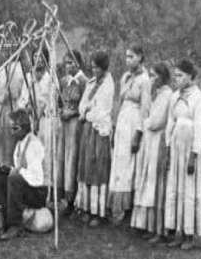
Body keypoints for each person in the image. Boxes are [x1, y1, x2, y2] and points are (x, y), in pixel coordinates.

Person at [164, 59, 201, 249]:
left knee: (190, 189)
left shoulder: (199, 98)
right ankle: (177, 231)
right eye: (175, 75)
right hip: (176, 147)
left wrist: (194, 154)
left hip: (190, 148)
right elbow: (170, 123)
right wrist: (168, 149)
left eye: (180, 75)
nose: (176, 79)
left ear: (190, 77)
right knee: (176, 188)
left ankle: (189, 234)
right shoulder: (174, 96)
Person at [108, 45, 151, 224]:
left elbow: (145, 108)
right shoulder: (125, 77)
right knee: (119, 162)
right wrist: (115, 123)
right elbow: (120, 101)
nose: (128, 60)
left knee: (130, 164)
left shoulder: (145, 80)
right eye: (126, 57)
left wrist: (138, 134)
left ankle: (128, 208)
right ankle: (117, 205)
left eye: (132, 57)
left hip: (134, 123)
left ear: (140, 57)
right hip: (123, 122)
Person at [131, 62, 173, 243]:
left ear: (163, 77)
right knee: (147, 182)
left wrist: (145, 122)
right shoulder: (156, 95)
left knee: (156, 185)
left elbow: (157, 121)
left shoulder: (167, 95)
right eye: (151, 75)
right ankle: (148, 226)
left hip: (158, 142)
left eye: (155, 76)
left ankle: (160, 230)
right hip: (150, 141)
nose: (152, 79)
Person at [0, 109, 48, 240]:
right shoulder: (20, 144)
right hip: (26, 186)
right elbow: (20, 170)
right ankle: (4, 219)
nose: (12, 132)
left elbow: (37, 178)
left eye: (14, 128)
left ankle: (15, 226)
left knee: (14, 178)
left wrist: (16, 172)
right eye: (11, 128)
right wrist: (10, 169)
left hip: (38, 193)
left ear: (24, 127)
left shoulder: (34, 144)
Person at [75, 51, 114, 227]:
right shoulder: (91, 83)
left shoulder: (108, 85)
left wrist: (87, 114)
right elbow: (82, 104)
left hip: (100, 131)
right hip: (88, 130)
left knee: (98, 167)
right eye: (92, 67)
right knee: (86, 166)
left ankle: (99, 211)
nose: (94, 70)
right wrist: (86, 110)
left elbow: (102, 112)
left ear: (104, 68)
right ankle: (85, 207)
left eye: (96, 67)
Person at [56, 50, 87, 214]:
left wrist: (73, 113)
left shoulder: (84, 82)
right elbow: (58, 102)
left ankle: (74, 199)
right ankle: (64, 198)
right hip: (64, 124)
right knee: (63, 157)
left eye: (70, 63)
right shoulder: (63, 81)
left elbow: (85, 107)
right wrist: (61, 111)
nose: (67, 66)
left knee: (73, 158)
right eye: (65, 63)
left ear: (78, 63)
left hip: (76, 123)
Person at [0, 59, 24, 178]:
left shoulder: (16, 68)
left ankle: (8, 174)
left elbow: (18, 91)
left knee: (10, 145)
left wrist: (8, 96)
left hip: (10, 110)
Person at [18, 49, 53, 182]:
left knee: (45, 152)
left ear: (46, 59)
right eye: (35, 56)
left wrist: (38, 117)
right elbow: (23, 98)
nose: (38, 59)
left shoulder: (49, 77)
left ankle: (47, 186)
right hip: (31, 119)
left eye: (41, 56)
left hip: (45, 120)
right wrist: (26, 106)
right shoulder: (29, 77)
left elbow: (45, 101)